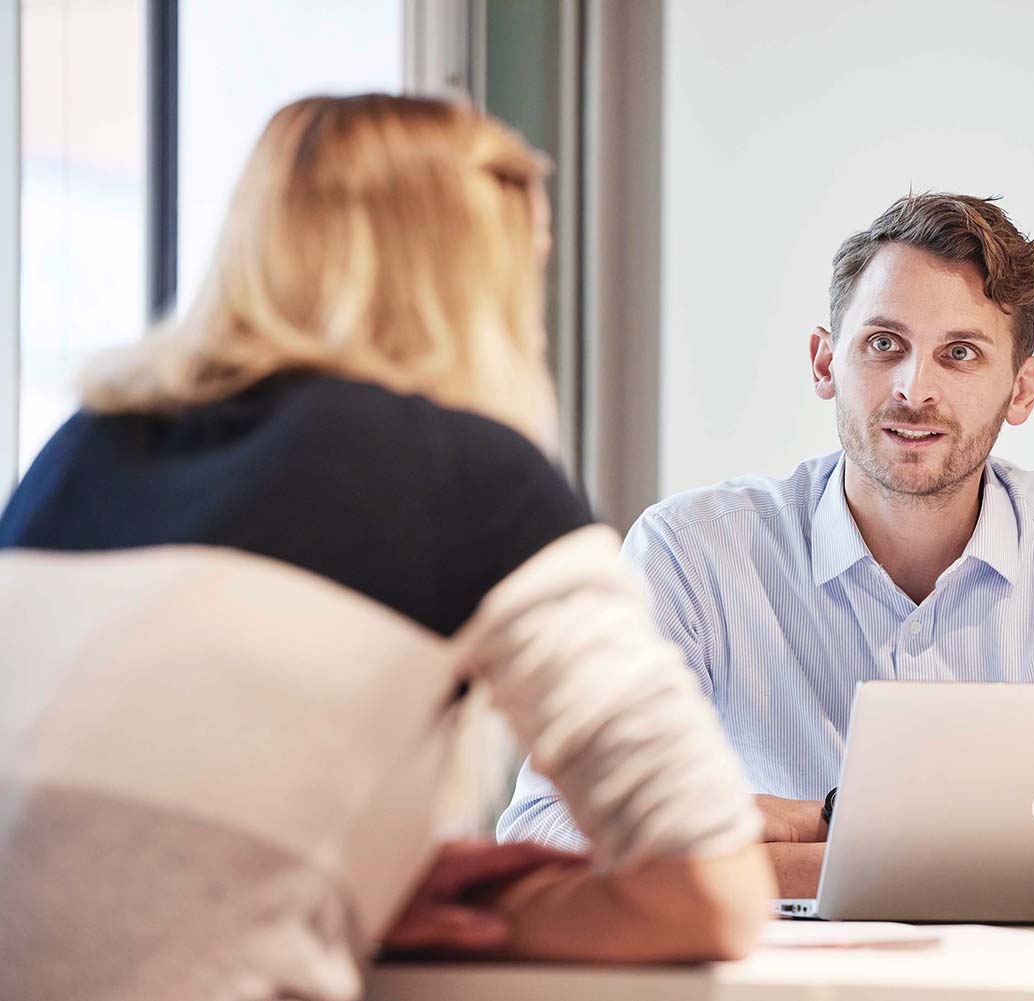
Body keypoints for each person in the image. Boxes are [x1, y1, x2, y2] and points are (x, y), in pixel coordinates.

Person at [0, 94, 772, 1001]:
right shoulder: (474, 477)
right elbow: (714, 890)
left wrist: (366, 884)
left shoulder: (83, 453)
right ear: (472, 281)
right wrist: (479, 914)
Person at [498, 192, 1034, 896]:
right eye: (883, 344)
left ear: (1022, 389)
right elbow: (546, 829)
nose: (913, 388)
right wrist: (964, 856)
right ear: (824, 360)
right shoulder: (692, 552)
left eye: (959, 353)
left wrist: (780, 843)